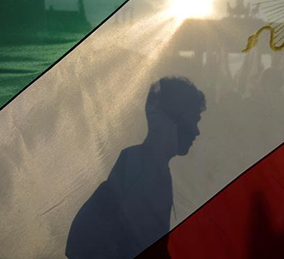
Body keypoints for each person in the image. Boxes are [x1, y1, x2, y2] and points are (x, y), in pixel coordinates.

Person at [66, 77, 205, 258]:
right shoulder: (144, 170)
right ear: (172, 120)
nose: (196, 131)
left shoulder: (146, 165)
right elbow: (142, 246)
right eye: (193, 120)